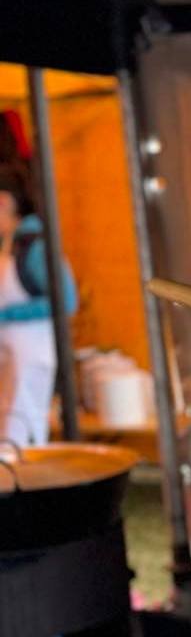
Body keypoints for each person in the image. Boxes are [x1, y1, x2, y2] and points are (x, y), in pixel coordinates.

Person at [0, 167, 76, 445]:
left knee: (21, 443)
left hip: (30, 367)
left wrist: (5, 315)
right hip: (11, 365)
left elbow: (66, 300)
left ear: (4, 202)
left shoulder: (34, 245)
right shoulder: (12, 244)